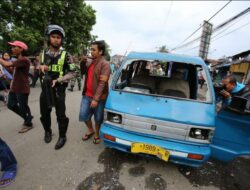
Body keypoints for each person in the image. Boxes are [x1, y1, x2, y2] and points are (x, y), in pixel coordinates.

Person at [38, 25, 76, 150]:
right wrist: (40, 67)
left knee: (61, 115)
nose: (55, 39)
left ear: (61, 40)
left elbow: (73, 73)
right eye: (53, 37)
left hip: (59, 90)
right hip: (45, 89)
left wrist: (59, 79)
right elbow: (37, 66)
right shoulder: (42, 54)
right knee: (44, 113)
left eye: (58, 37)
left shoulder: (67, 55)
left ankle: (62, 136)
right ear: (49, 38)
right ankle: (47, 131)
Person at [79, 40, 111, 144]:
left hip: (99, 98)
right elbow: (82, 72)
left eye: (93, 50)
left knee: (98, 118)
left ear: (100, 51)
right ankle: (90, 130)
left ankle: (97, 133)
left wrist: (96, 99)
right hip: (87, 95)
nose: (91, 52)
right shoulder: (90, 62)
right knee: (83, 115)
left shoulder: (105, 64)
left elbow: (102, 83)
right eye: (91, 49)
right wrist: (82, 62)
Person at [0, 41, 33, 133]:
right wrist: (4, 65)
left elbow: (7, 64)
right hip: (14, 87)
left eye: (14, 47)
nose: (12, 49)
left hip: (22, 88)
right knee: (11, 105)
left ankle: (28, 123)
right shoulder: (17, 60)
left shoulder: (24, 60)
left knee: (23, 106)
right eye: (12, 47)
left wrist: (3, 62)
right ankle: (27, 117)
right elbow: (11, 71)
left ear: (21, 49)